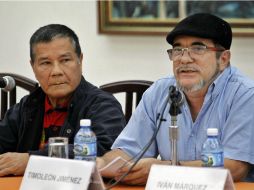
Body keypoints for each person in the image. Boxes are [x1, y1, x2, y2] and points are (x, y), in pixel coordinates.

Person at [97, 13, 254, 185]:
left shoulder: (245, 95)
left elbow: (235, 167)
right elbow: (128, 151)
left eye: (198, 49)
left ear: (223, 59)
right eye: (178, 50)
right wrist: (100, 164)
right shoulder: (159, 92)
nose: (184, 59)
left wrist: (165, 170)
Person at [0, 24, 126, 176]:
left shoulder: (103, 105)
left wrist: (32, 161)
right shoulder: (27, 106)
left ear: (80, 60)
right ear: (33, 67)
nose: (56, 72)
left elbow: (104, 152)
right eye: (45, 63)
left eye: (65, 60)